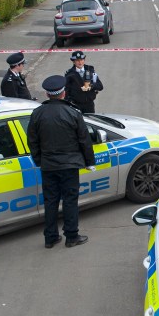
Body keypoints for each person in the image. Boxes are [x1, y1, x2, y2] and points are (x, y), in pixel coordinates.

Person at [27, 75, 95, 248]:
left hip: (48, 165)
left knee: (50, 201)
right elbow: (84, 140)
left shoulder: (37, 113)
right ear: (63, 93)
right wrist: (90, 162)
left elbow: (32, 141)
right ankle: (71, 236)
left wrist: (39, 160)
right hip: (69, 165)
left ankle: (50, 238)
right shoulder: (73, 112)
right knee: (70, 201)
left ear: (47, 94)